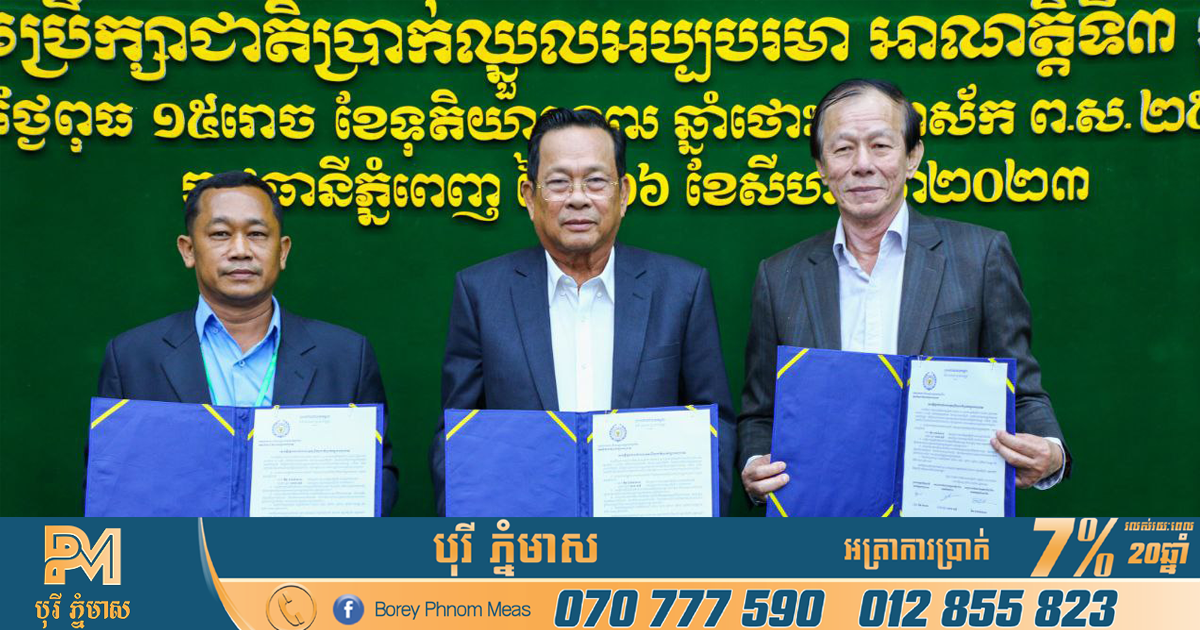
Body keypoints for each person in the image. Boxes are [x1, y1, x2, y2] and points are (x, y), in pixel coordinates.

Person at [738, 79, 1070, 505]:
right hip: (822, 520)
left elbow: (1020, 393)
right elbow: (761, 414)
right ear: (821, 166)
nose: (862, 164)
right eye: (843, 149)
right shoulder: (780, 276)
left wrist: (1051, 451)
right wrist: (754, 464)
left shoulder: (980, 256)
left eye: (880, 146)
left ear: (913, 157)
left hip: (943, 527)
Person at [431, 108, 735, 515]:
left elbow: (715, 428)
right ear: (529, 196)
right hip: (527, 540)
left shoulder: (681, 289)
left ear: (623, 194)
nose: (578, 197)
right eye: (558, 182)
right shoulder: (482, 294)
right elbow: (457, 439)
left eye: (595, 181)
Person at [94, 170, 398, 514]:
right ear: (188, 250)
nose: (240, 250)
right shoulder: (133, 358)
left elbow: (378, 477)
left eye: (256, 234)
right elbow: (109, 484)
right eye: (220, 234)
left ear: (282, 251)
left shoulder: (346, 357)